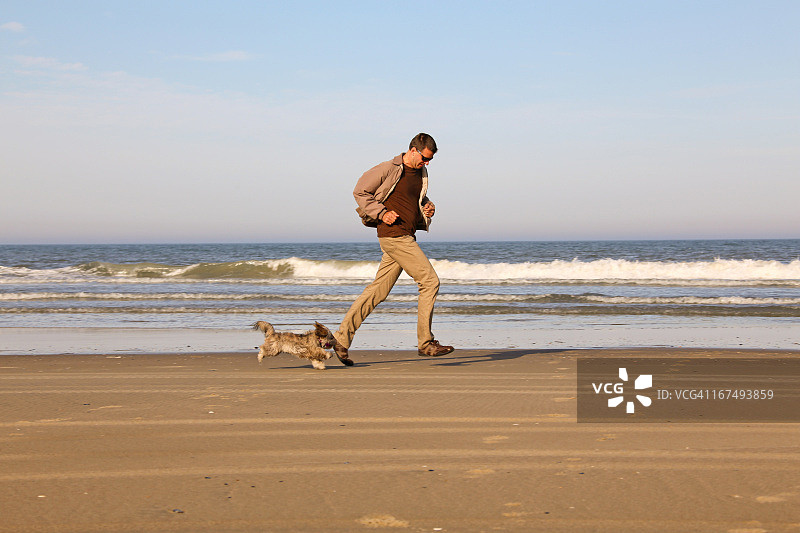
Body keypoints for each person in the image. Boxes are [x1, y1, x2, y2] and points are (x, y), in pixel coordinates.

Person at [332, 133, 455, 365]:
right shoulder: (388, 168)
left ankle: (341, 338)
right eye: (424, 158)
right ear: (413, 150)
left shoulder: (420, 173)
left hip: (405, 235)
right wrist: (381, 213)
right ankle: (425, 343)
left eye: (430, 160)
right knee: (430, 282)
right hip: (394, 235)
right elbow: (360, 191)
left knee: (377, 291)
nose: (426, 163)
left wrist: (427, 206)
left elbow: (412, 199)